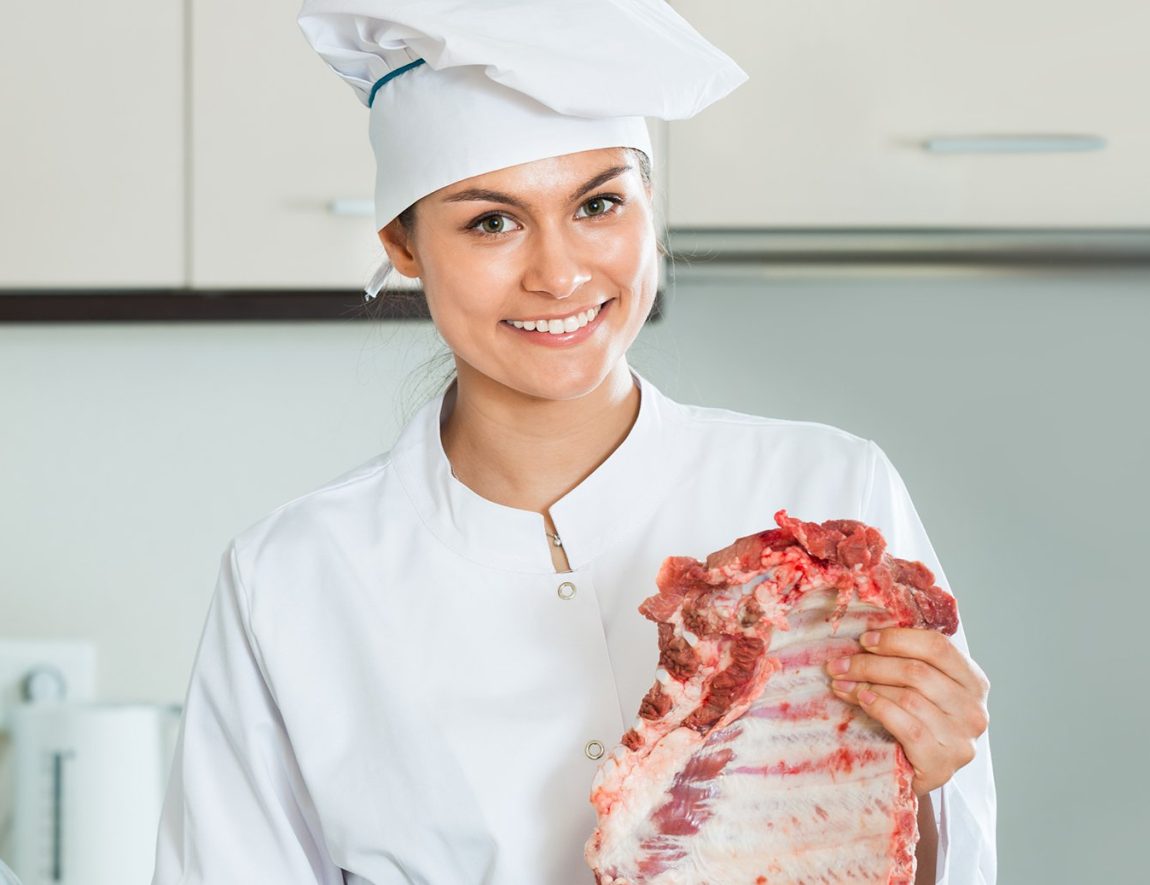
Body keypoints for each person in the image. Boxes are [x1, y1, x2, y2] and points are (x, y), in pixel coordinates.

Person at [152, 1, 995, 883]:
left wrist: (928, 777)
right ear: (402, 242)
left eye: (598, 204)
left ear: (649, 210)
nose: (558, 274)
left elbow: (943, 856)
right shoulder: (294, 578)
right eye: (492, 221)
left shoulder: (828, 487)